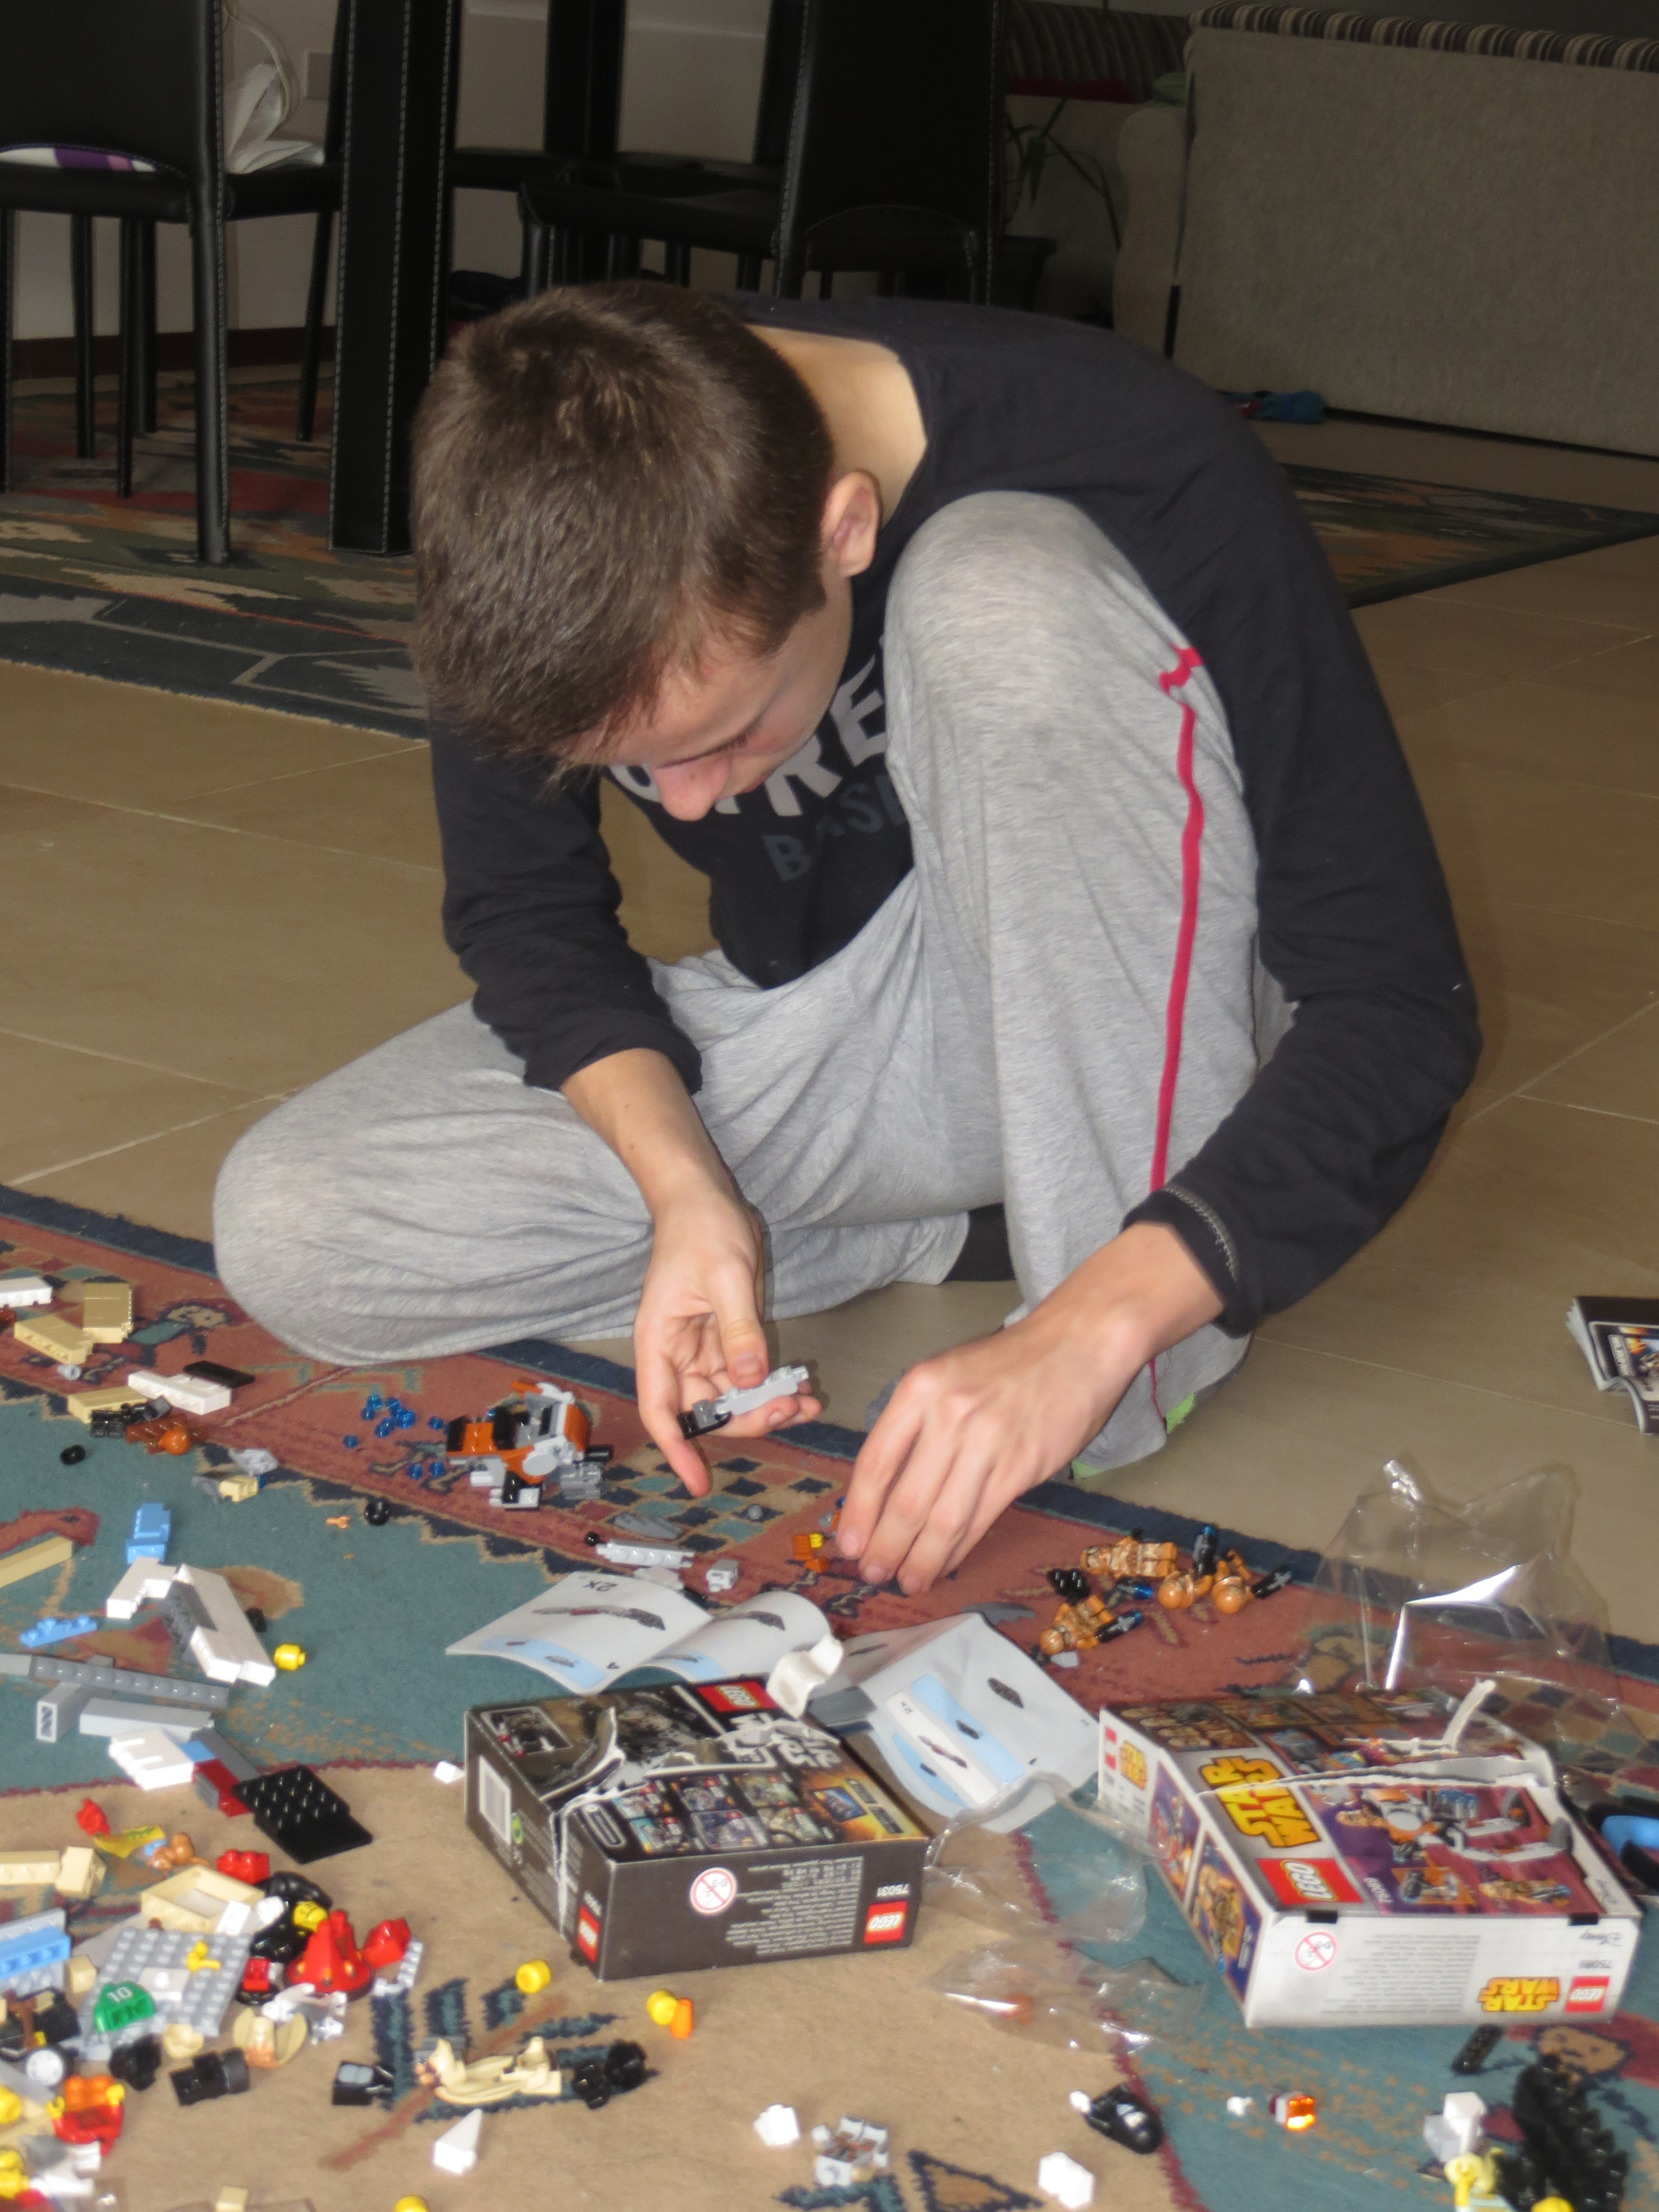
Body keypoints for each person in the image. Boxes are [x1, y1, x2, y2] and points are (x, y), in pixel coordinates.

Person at [213, 283, 1478, 1595]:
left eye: (724, 737)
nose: (688, 805)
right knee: (299, 1230)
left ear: (844, 528)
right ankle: (922, 1227)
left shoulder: (1136, 450)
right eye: (639, 763)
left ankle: (1115, 1299)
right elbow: (525, 913)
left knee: (1003, 591)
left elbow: (1399, 1006)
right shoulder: (529, 493)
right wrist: (686, 1192)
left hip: (1137, 1000)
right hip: (845, 1025)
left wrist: (1084, 1333)